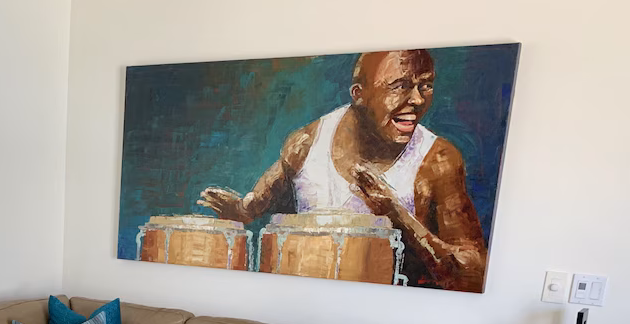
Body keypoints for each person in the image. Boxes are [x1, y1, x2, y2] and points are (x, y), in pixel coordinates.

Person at [197, 50, 487, 292]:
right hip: (298, 307)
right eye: (399, 86)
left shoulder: (437, 159)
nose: (418, 100)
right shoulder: (307, 143)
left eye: (426, 86)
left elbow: (473, 273)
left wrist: (397, 216)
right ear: (359, 94)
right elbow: (255, 204)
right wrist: (240, 209)